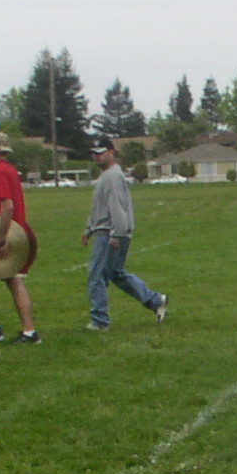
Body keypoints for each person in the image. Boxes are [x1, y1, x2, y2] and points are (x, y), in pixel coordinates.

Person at [82, 139, 166, 332]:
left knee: (96, 276)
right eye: (94, 153)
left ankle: (99, 321)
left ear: (111, 152)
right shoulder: (107, 175)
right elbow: (99, 208)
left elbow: (117, 207)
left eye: (101, 152)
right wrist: (88, 229)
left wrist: (116, 234)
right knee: (115, 273)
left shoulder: (112, 176)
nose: (97, 156)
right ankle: (155, 301)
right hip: (109, 231)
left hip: (110, 233)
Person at [0, 133, 39, 344]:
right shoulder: (9, 170)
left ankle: (8, 329)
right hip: (18, 230)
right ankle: (24, 330)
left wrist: (1, 237)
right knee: (14, 280)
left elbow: (7, 205)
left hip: (8, 234)